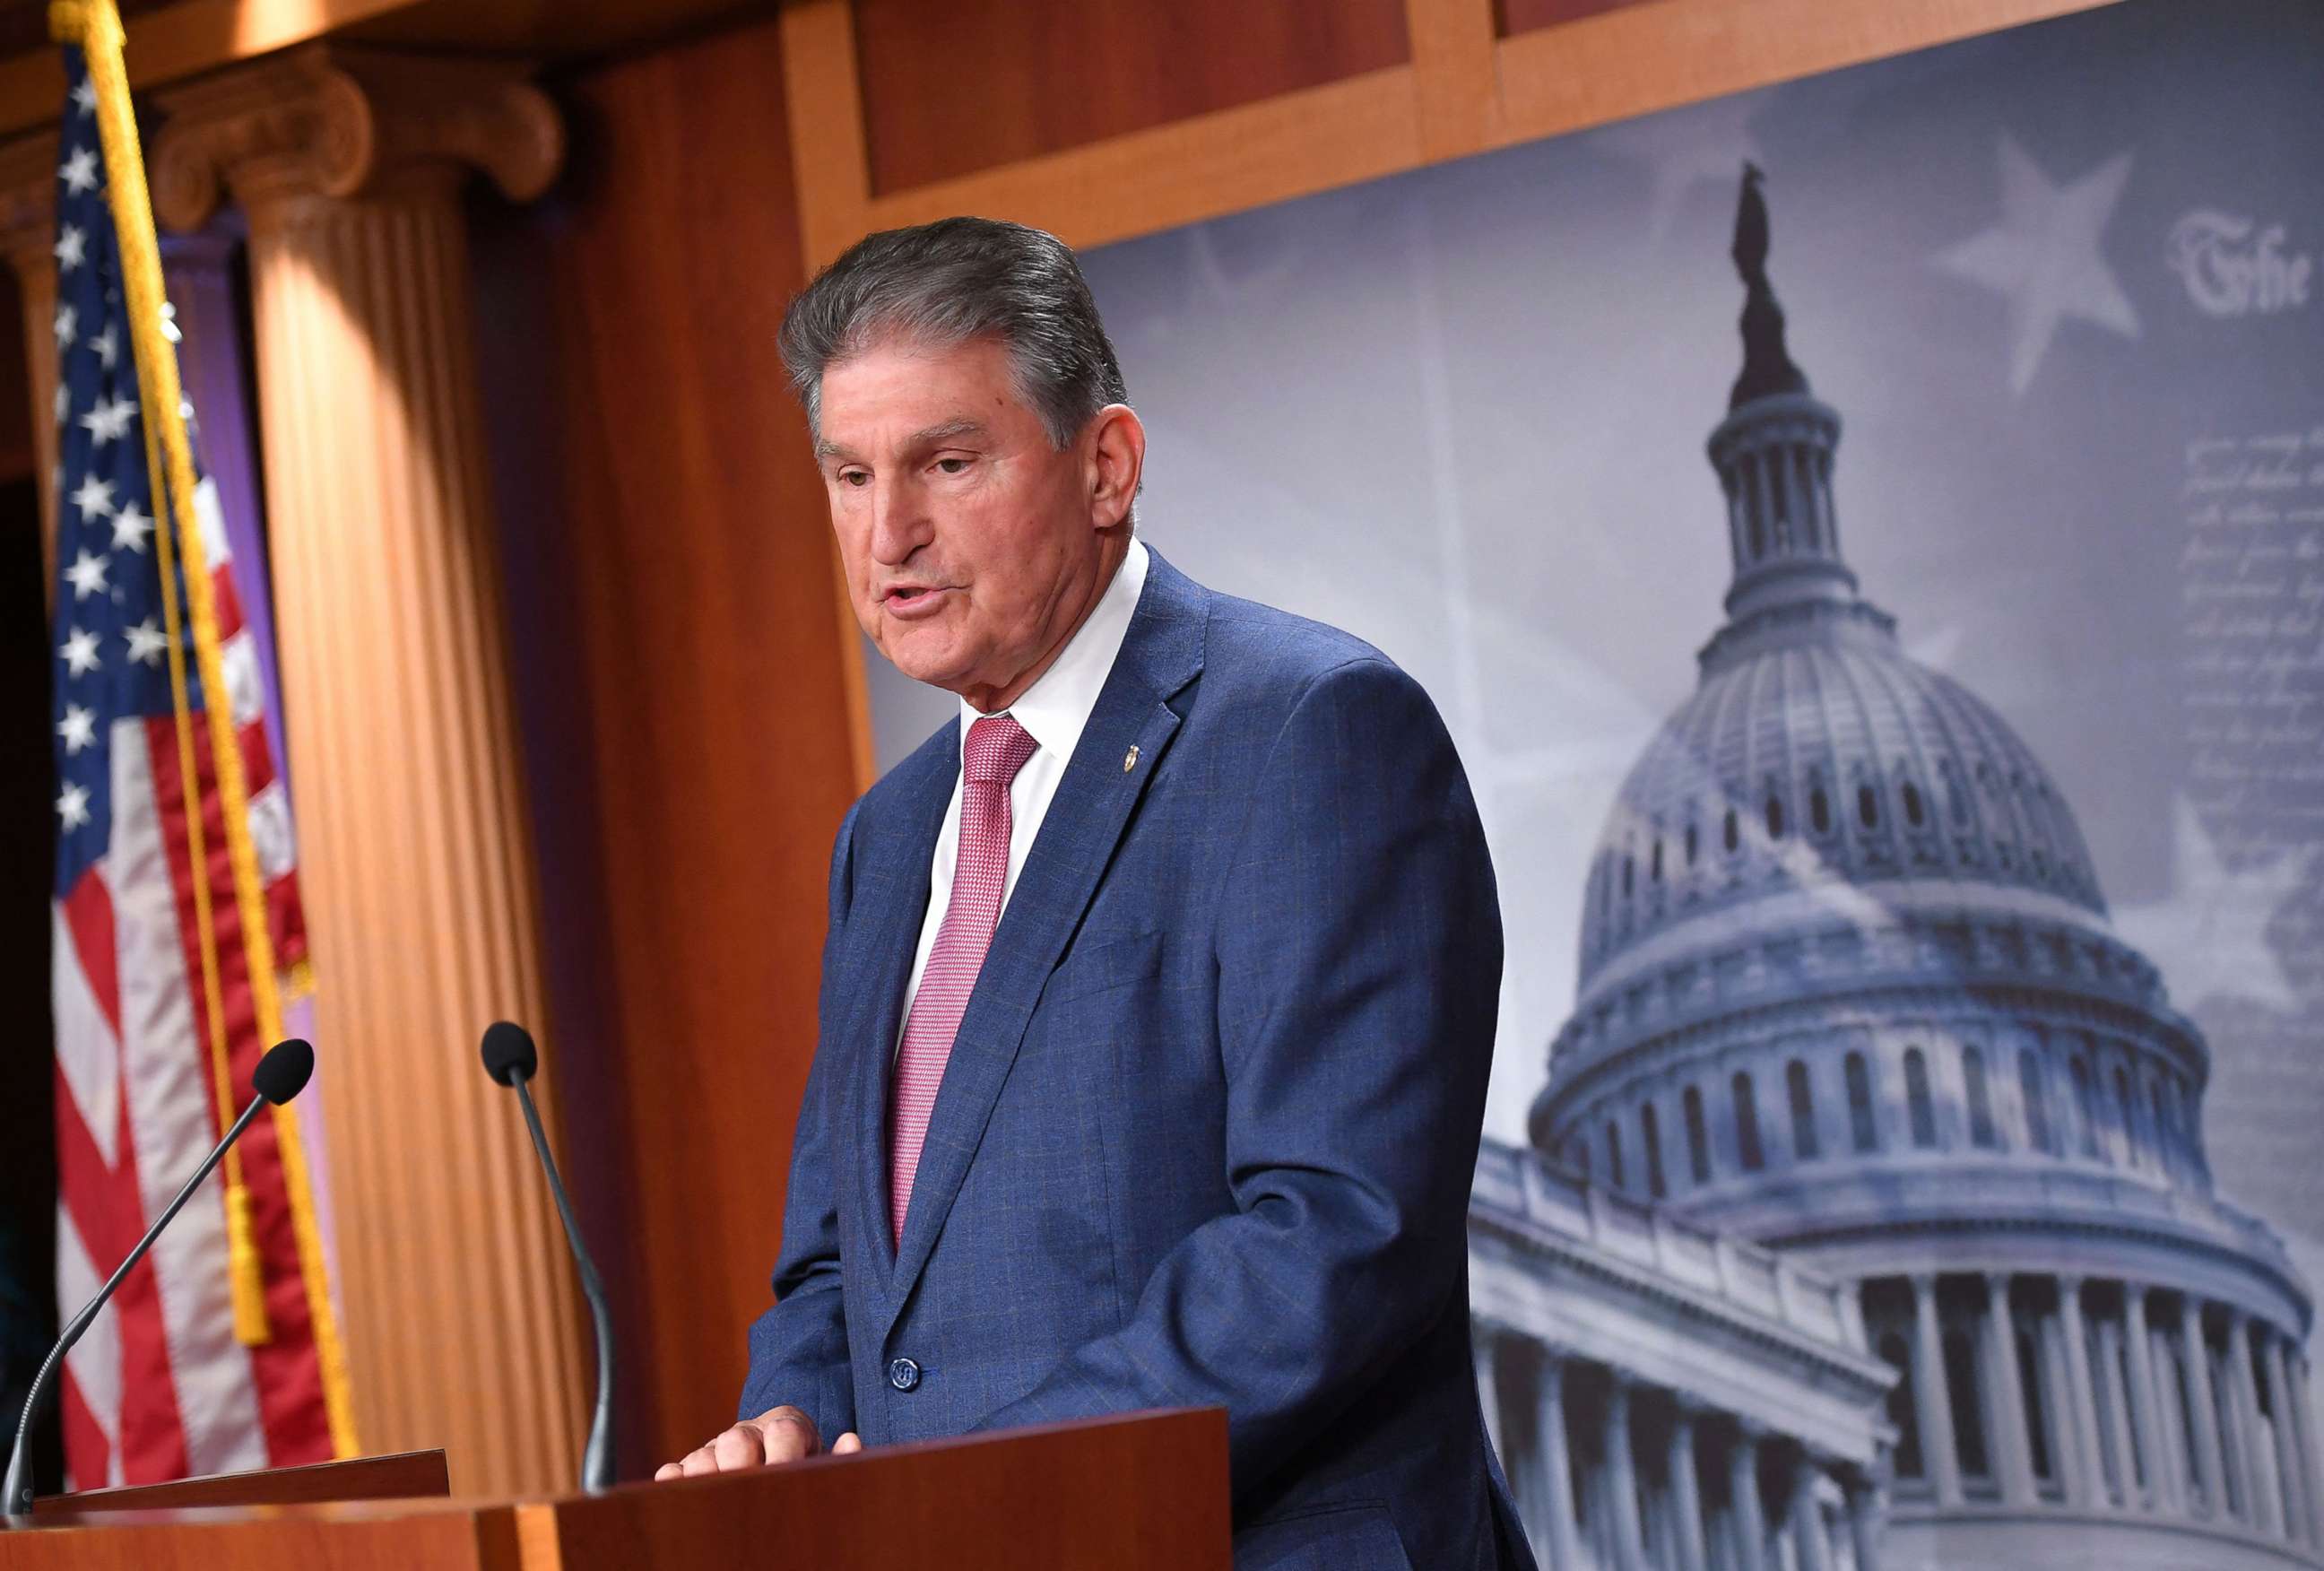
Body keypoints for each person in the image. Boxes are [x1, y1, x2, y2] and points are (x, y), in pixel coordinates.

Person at [656, 216, 1531, 1570]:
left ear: (1106, 465)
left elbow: (1336, 1240)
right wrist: (786, 1419)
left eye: (947, 463)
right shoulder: (886, 841)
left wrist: (975, 1503)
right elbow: (843, 1269)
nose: (890, 531)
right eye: (849, 473)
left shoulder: (1310, 730)